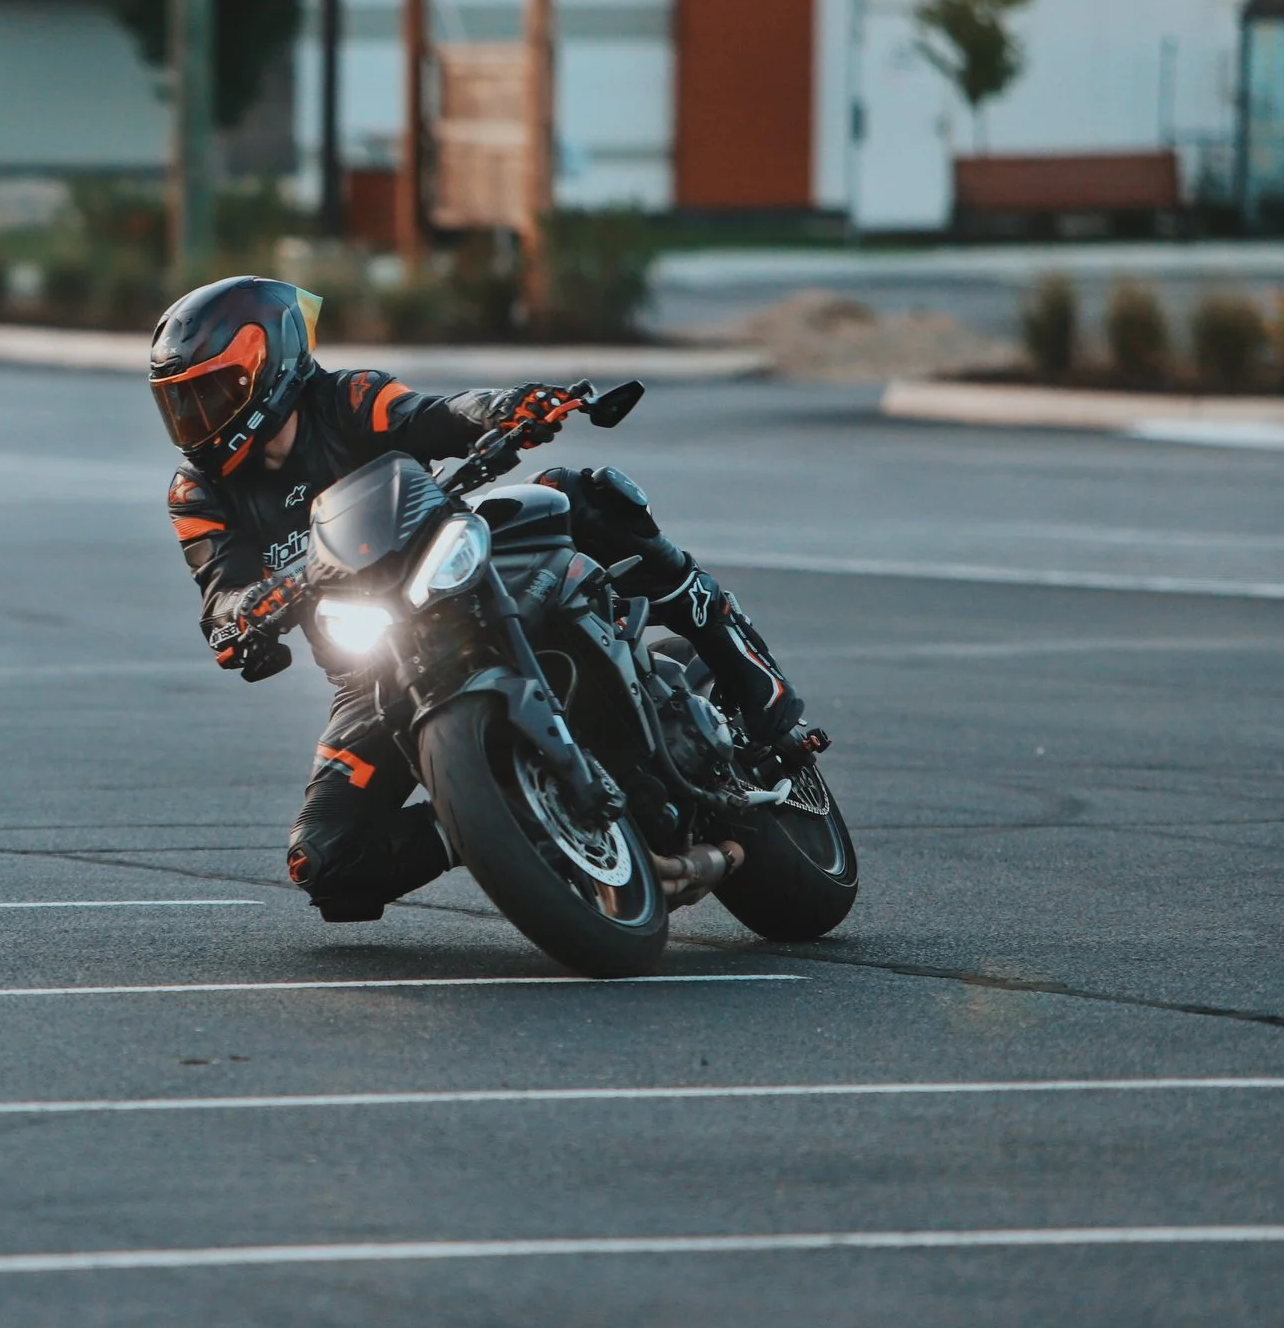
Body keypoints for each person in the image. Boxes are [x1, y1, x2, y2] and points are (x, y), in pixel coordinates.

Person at [151, 275, 807, 923]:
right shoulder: (198, 493)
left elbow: (432, 415)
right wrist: (243, 617)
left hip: (453, 575)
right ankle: (497, 811)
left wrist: (506, 409)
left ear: (269, 367)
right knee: (325, 859)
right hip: (371, 662)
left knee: (578, 492)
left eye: (212, 391)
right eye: (181, 401)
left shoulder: (346, 397)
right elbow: (221, 593)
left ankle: (746, 669)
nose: (196, 417)